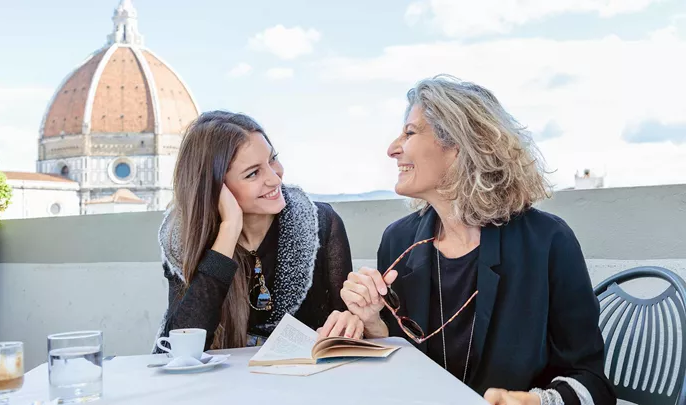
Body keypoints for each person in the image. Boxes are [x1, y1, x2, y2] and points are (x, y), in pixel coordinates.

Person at [340, 76, 616, 405]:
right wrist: (372, 322)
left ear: (458, 144)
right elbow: (404, 368)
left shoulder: (549, 242)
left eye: (410, 132)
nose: (392, 148)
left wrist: (539, 401)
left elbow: (592, 382)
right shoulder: (397, 241)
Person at [155, 111, 361, 351]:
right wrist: (229, 229)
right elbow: (182, 347)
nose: (275, 178)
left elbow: (344, 322)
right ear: (216, 189)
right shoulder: (182, 238)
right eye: (253, 173)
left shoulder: (321, 223)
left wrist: (352, 322)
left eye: (273, 160)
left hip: (305, 380)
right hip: (223, 384)